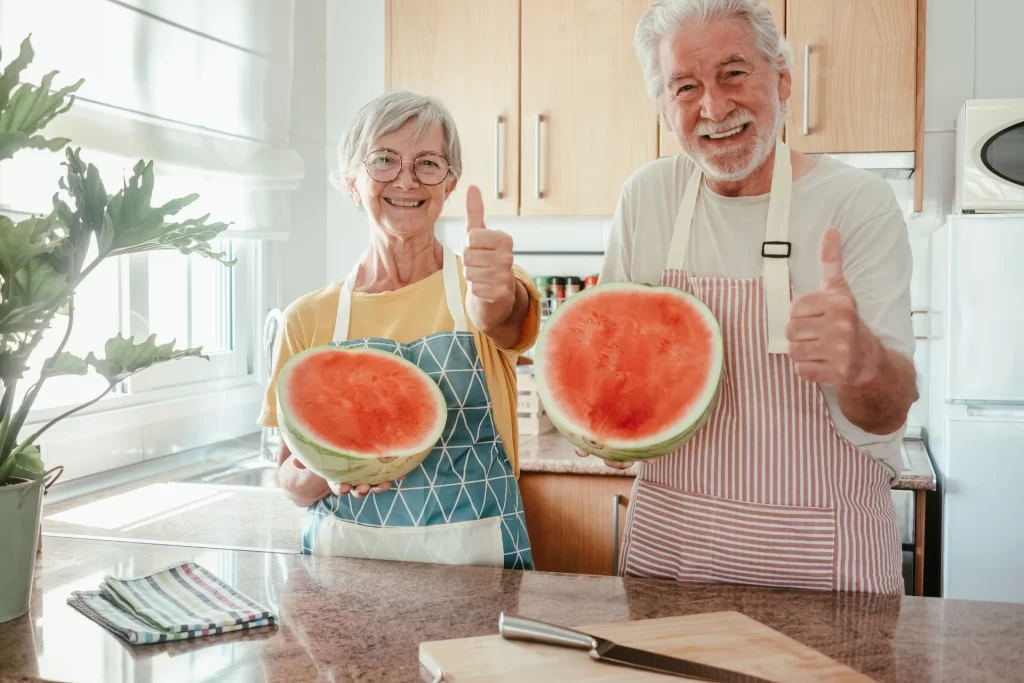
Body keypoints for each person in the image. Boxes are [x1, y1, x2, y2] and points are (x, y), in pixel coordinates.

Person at [578, 0, 918, 594]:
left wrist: (861, 362)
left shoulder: (857, 203)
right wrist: (603, 428)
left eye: (734, 73)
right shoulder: (647, 197)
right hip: (670, 553)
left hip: (823, 559)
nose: (714, 107)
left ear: (783, 78)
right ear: (664, 108)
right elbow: (611, 377)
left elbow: (890, 411)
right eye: (685, 86)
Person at [259, 91, 541, 570]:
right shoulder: (306, 318)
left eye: (428, 163)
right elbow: (289, 475)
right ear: (351, 183)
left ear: (449, 184)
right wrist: (325, 475)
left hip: (478, 566)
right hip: (345, 570)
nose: (406, 180)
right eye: (384, 161)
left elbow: (502, 317)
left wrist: (492, 295)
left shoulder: (486, 287)